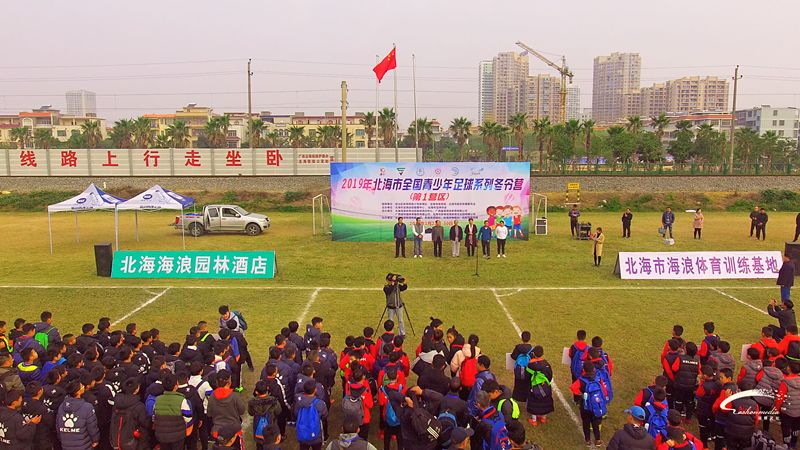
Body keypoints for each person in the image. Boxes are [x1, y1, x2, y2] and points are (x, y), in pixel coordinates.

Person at [571, 361, 609, 447]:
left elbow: (573, 387)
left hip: (585, 406)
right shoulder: (598, 378)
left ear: (584, 370)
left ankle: (587, 440)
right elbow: (604, 390)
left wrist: (580, 394)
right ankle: (598, 440)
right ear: (593, 369)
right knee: (596, 424)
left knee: (586, 423)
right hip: (597, 405)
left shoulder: (581, 380)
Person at [58, 380, 100, 450]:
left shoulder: (61, 406)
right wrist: (95, 440)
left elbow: (58, 426)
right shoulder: (87, 407)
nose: (83, 387)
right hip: (83, 446)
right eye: (82, 386)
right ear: (78, 392)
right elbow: (92, 427)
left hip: (66, 445)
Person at [525, 346, 554, 428]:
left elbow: (527, 376)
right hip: (545, 386)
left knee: (534, 403)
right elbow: (550, 375)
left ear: (533, 354)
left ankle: (534, 420)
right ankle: (543, 418)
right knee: (545, 402)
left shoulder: (531, 364)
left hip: (534, 387)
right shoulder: (546, 364)